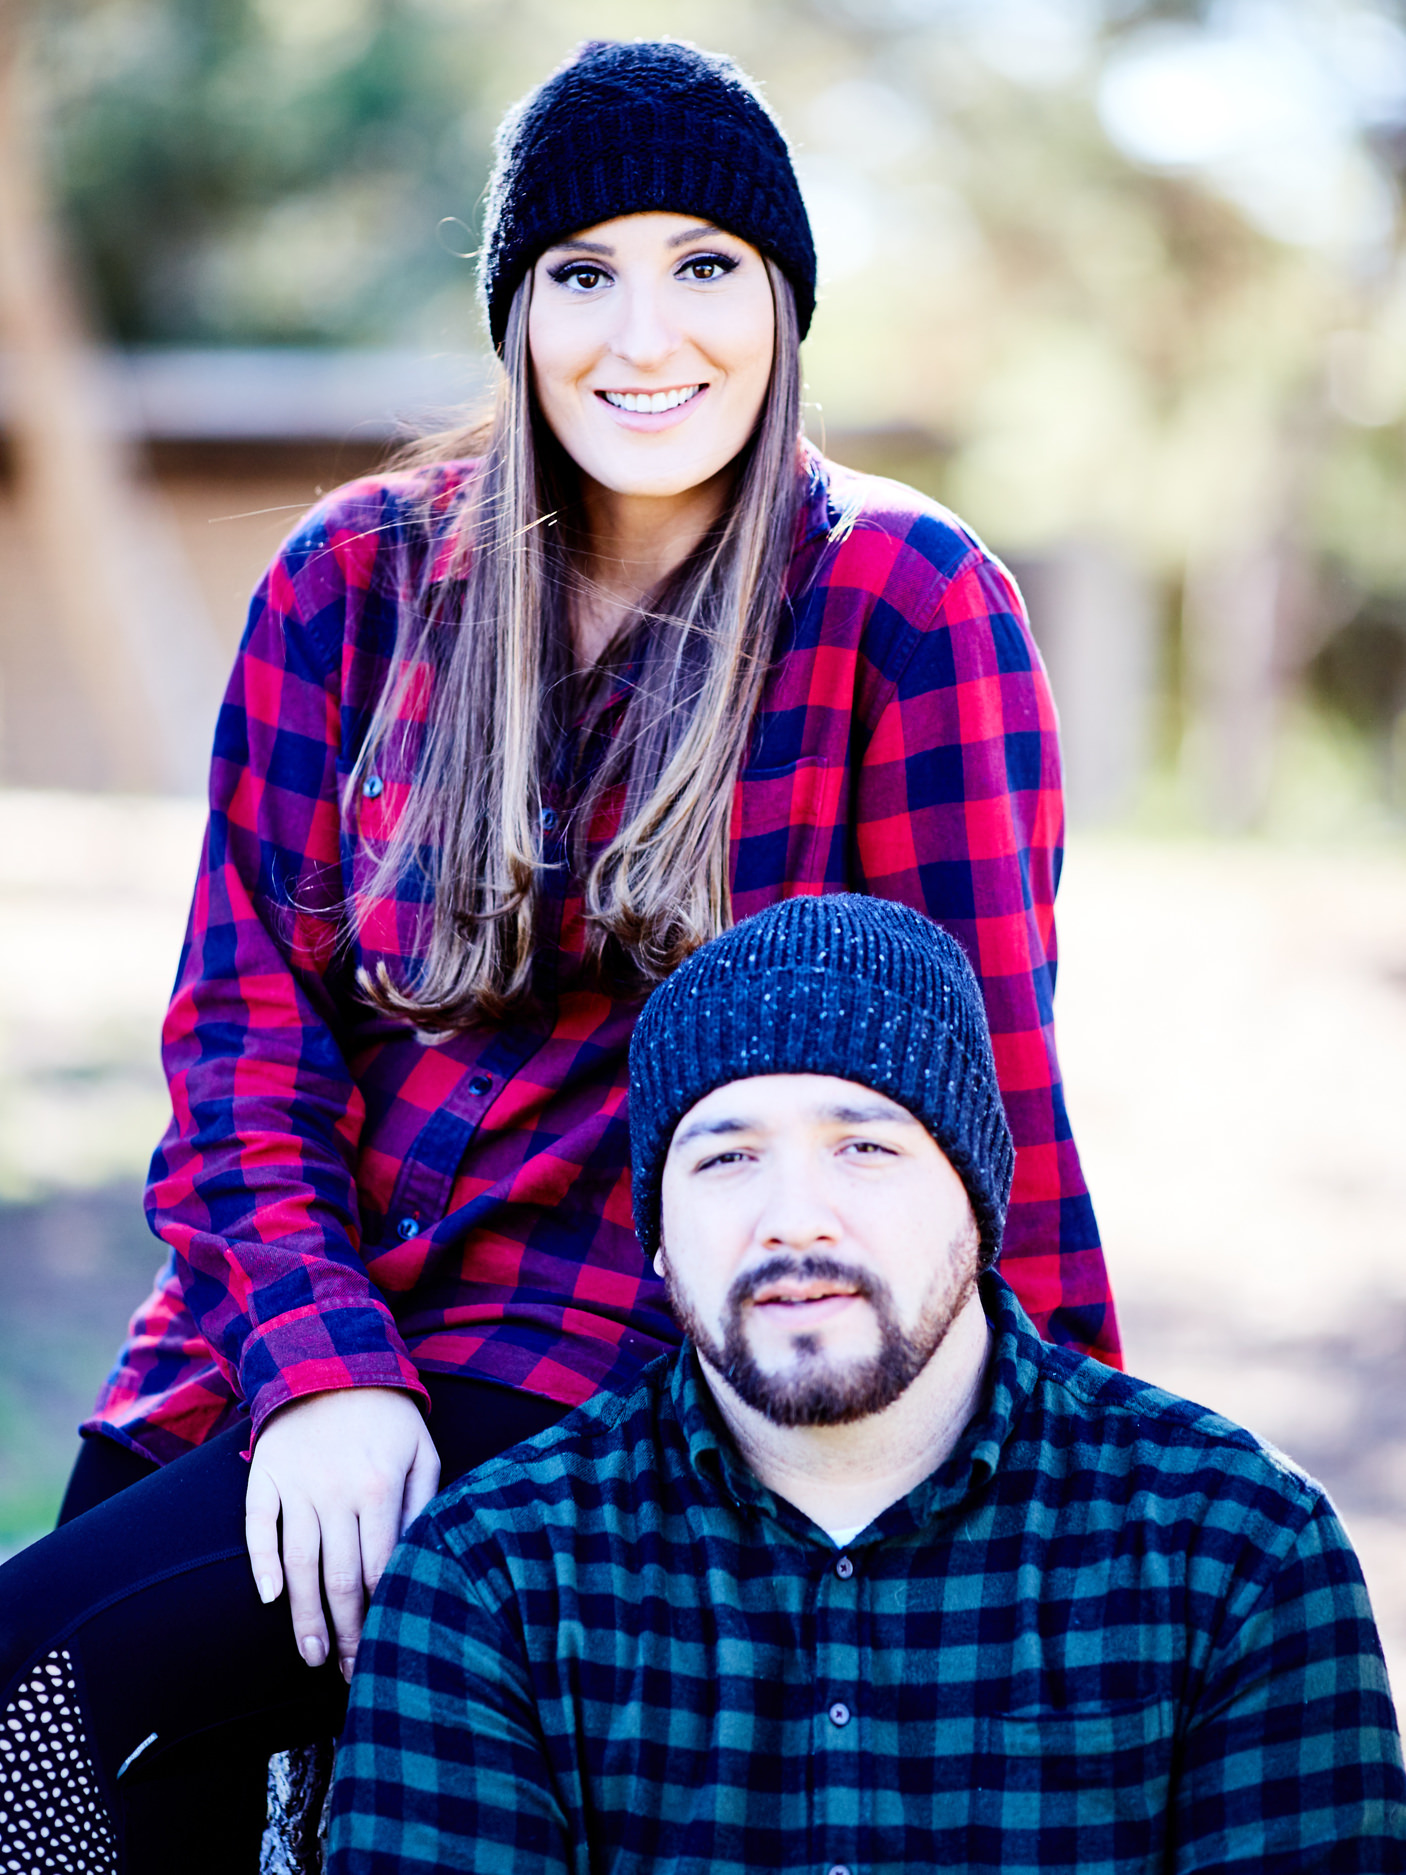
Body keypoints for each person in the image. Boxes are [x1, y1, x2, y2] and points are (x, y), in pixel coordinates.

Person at [0, 38, 1118, 1874]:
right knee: (56, 1747)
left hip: (607, 1376)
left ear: (784, 305)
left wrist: (1076, 1509)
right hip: (287, 1332)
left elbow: (985, 1104)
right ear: (517, 314)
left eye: (706, 266)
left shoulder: (906, 609)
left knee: (89, 1717)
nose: (642, 334)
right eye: (582, 273)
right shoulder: (353, 582)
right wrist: (324, 1368)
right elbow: (241, 1042)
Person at [327, 892, 1406, 1874]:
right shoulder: (495, 1579)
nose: (795, 1217)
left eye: (865, 1149)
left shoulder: (1234, 1551)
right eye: (725, 1159)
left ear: (976, 1201)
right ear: (657, 1240)